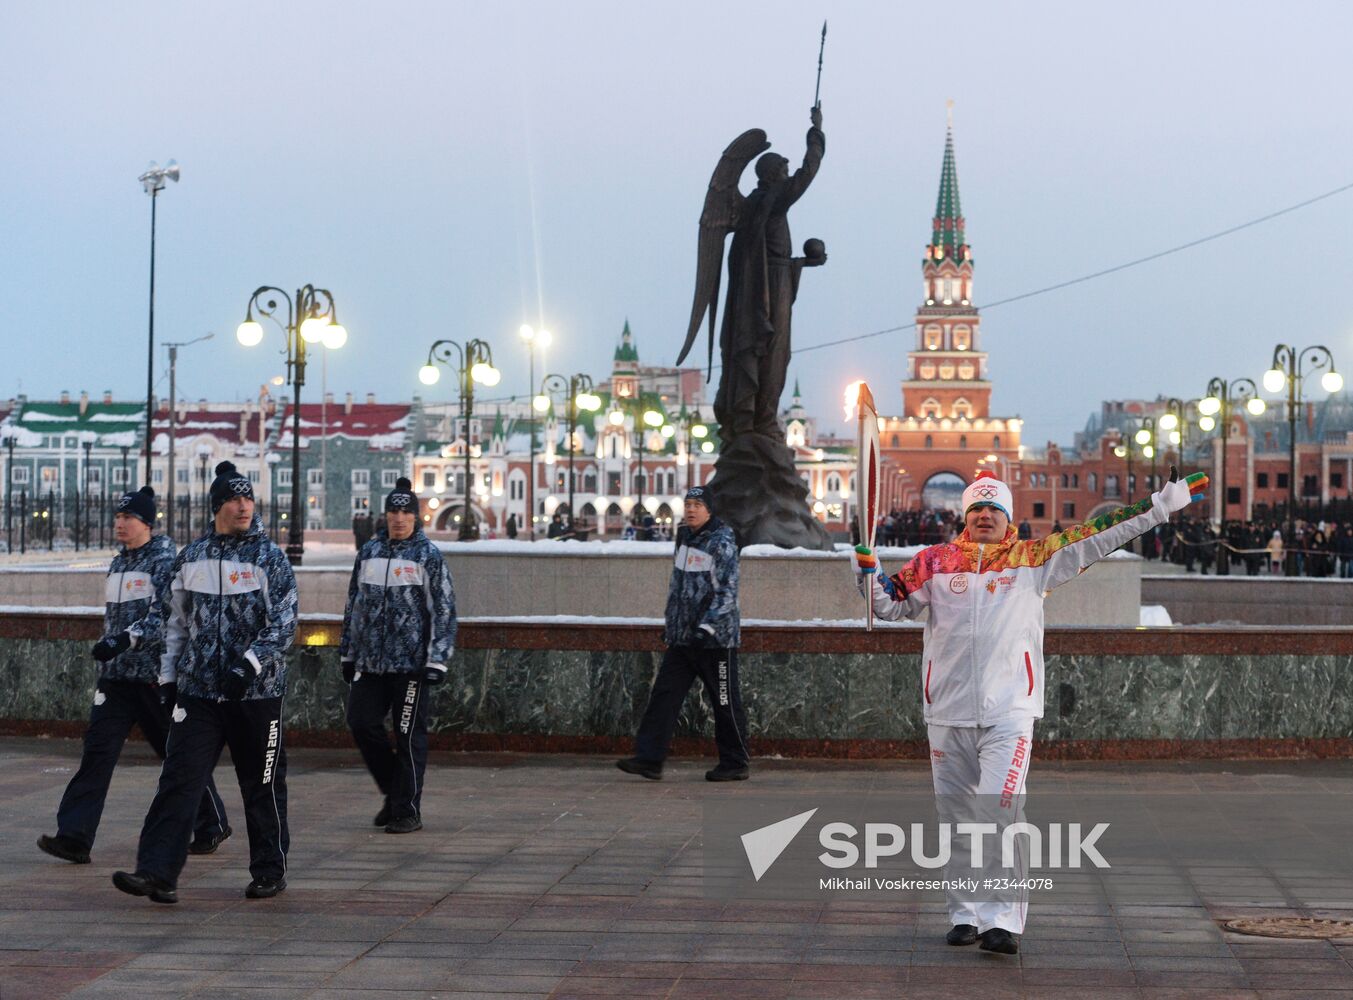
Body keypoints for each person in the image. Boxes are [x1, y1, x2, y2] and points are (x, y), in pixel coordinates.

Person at [852, 466, 1208, 955]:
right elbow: (888, 607)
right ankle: (965, 913)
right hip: (947, 711)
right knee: (956, 815)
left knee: (1000, 811)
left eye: (993, 509)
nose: (983, 516)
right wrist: (866, 574)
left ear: (1007, 518)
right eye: (976, 508)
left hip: (1009, 710)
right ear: (964, 515)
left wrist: (1159, 507)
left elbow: (1099, 534)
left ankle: (1002, 919)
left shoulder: (1033, 559)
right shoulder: (934, 562)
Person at [112, 462, 297, 904]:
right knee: (179, 779)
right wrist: (170, 678)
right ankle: (157, 872)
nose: (243, 505)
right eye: (234, 499)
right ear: (217, 506)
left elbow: (285, 623)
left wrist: (248, 665)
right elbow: (171, 622)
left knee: (262, 782)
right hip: (198, 694)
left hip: (256, 694)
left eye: (248, 498)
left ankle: (269, 870)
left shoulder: (268, 558)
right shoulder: (191, 558)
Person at [37, 487, 228, 865]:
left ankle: (211, 822)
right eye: (118, 517)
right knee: (97, 753)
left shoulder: (163, 560)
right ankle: (75, 836)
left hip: (151, 677)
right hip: (116, 678)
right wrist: (111, 648)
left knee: (176, 757)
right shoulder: (119, 563)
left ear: (146, 522)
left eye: (128, 518)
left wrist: (125, 640)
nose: (120, 524)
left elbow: (165, 615)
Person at [340, 477, 457, 834]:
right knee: (361, 723)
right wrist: (348, 652)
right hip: (372, 664)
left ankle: (406, 810)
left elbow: (445, 610)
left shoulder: (428, 556)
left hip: (412, 666)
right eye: (394, 510)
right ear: (385, 514)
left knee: (408, 735)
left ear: (416, 517)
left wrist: (437, 659)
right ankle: (395, 793)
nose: (399, 518)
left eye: (406, 511)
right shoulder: (370, 553)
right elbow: (353, 605)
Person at [617, 486, 747, 781]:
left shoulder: (721, 543)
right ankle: (649, 759)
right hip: (683, 639)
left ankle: (735, 762)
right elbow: (678, 588)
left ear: (710, 509)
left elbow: (728, 593)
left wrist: (706, 628)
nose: (690, 509)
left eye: (697, 504)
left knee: (724, 701)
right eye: (687, 503)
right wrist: (672, 627)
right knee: (664, 696)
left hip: (715, 641)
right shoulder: (685, 537)